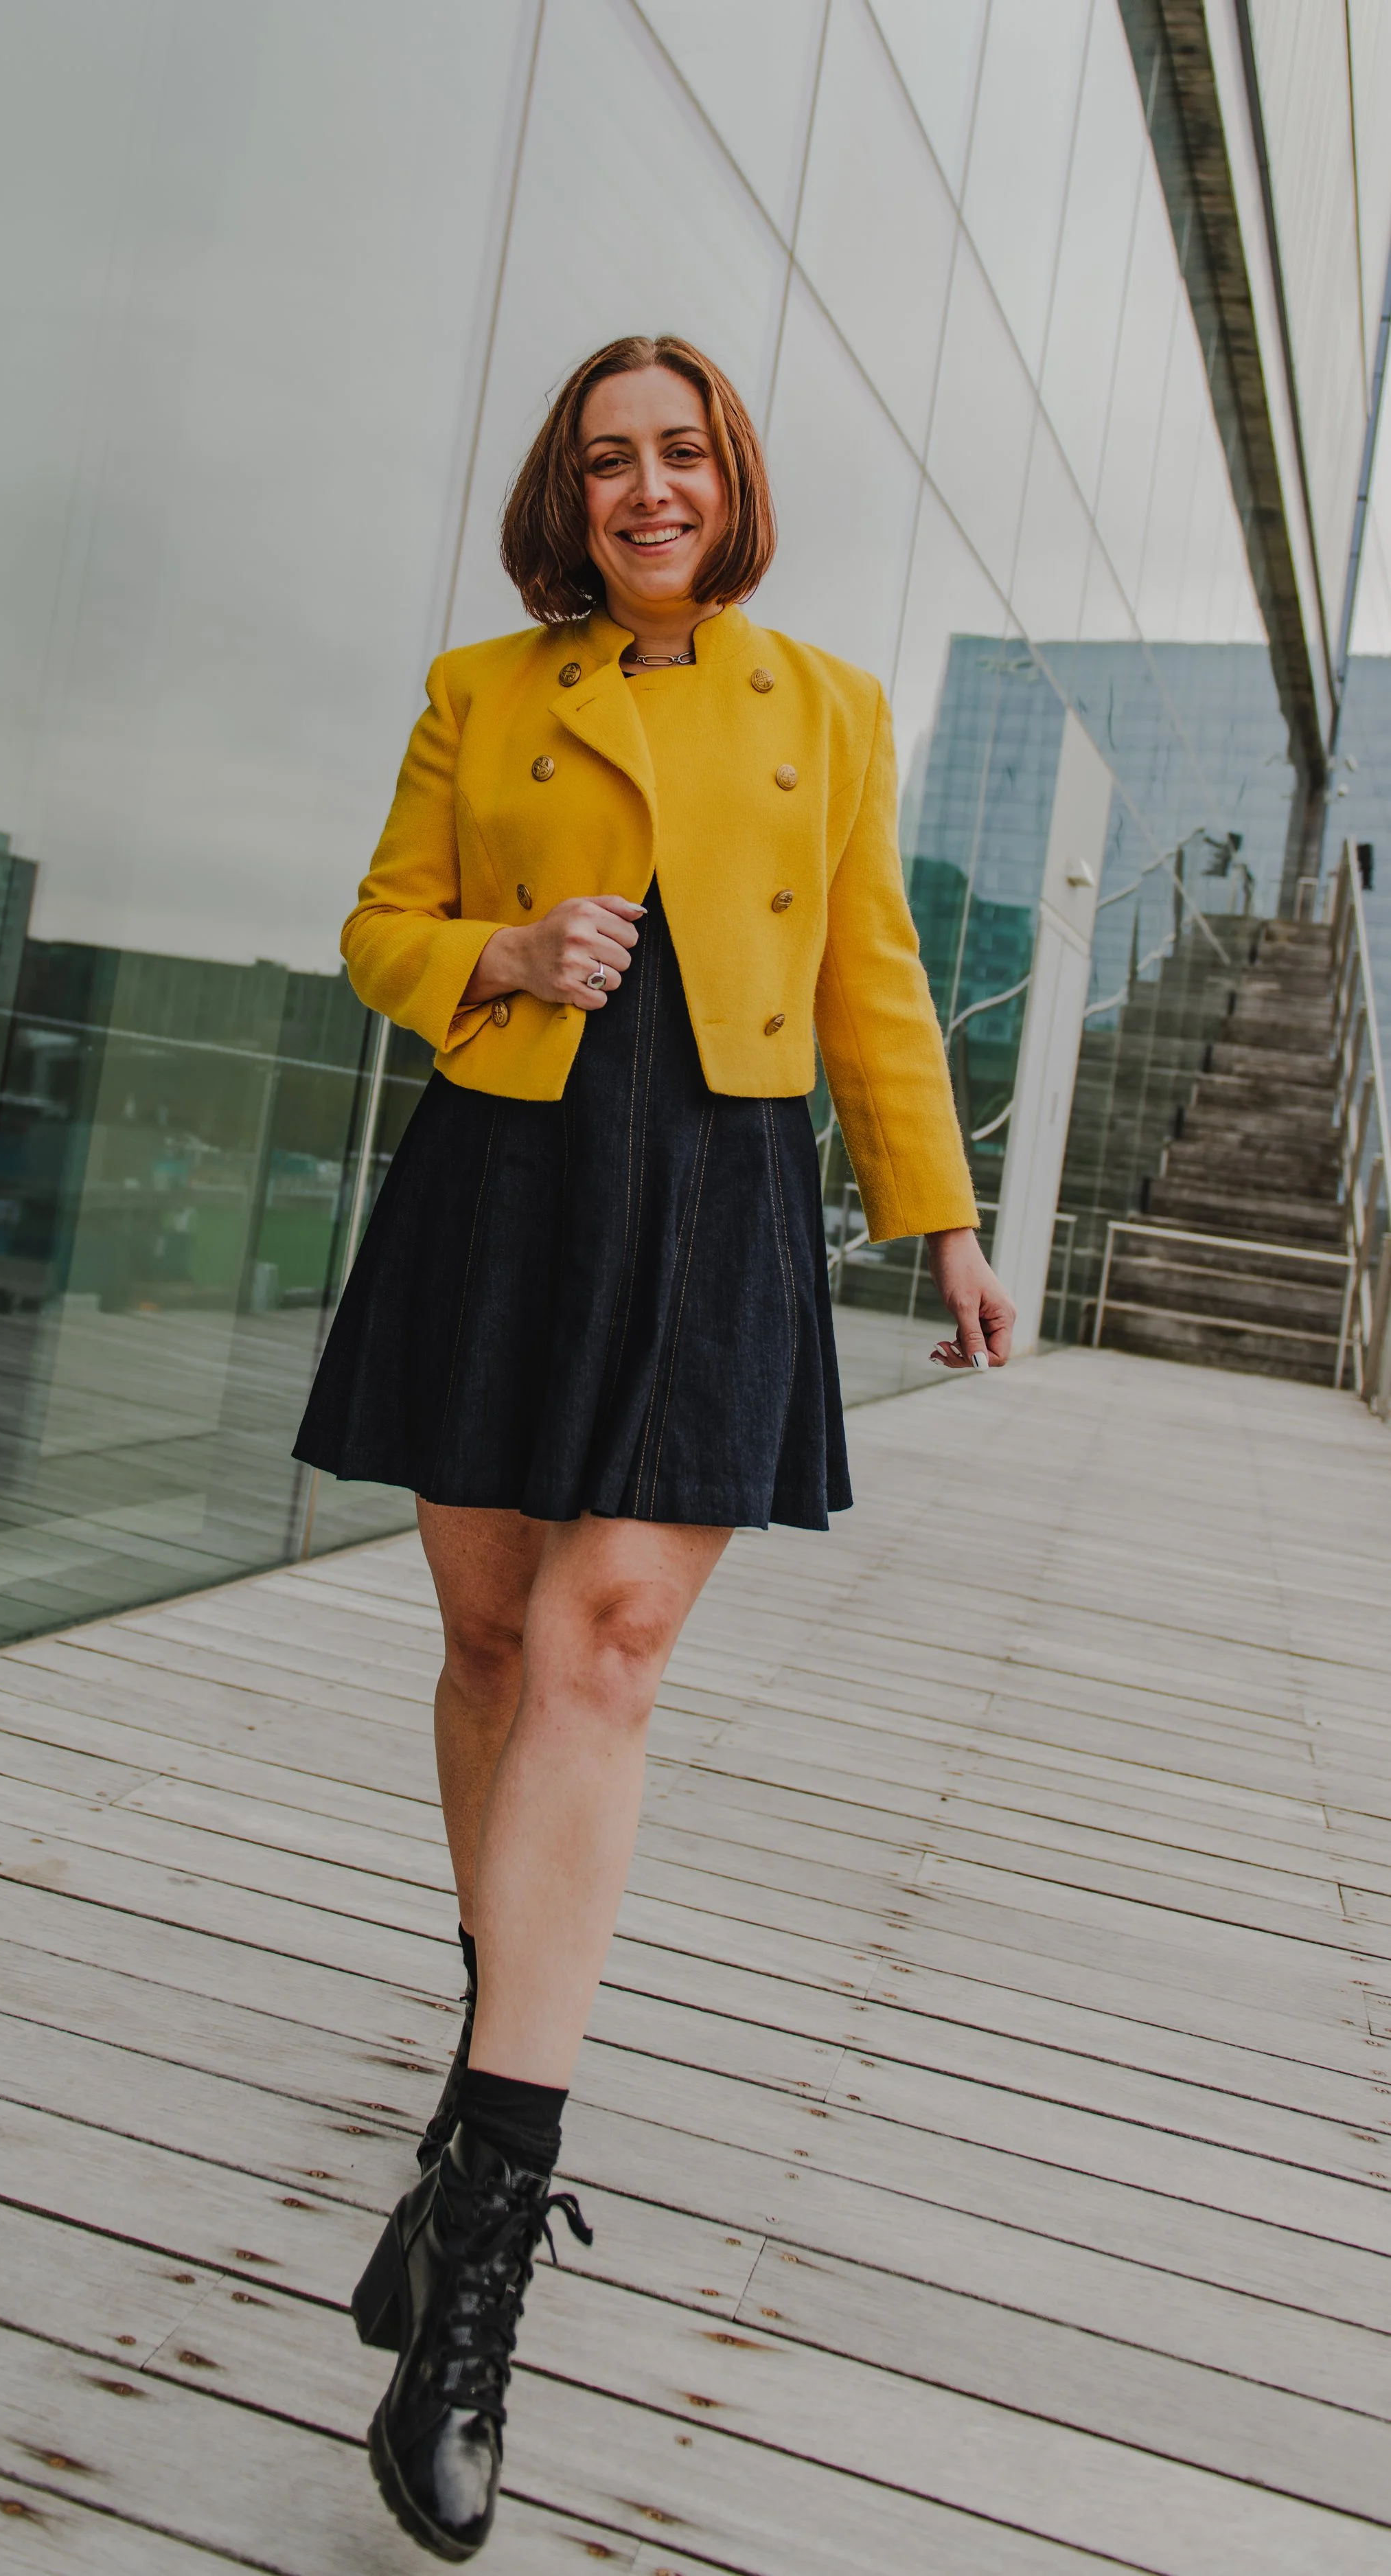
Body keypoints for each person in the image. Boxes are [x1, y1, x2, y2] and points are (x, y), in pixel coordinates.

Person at [295, 332, 1012, 2560]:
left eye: (678, 451)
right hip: (511, 1175)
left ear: (730, 477)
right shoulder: (475, 690)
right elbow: (373, 933)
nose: (645, 486)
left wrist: (947, 1219)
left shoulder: (825, 706)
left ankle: (479, 2253)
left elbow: (877, 970)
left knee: (606, 1644)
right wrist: (493, 947)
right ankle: (475, 2078)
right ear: (566, 493)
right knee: (496, 1647)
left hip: (718, 1188)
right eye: (607, 459)